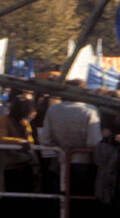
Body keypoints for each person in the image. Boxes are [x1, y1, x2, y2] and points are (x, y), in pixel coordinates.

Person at [41, 79, 103, 216]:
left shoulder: (53, 110)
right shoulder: (90, 110)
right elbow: (94, 141)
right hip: (84, 163)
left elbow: (45, 139)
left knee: (62, 200)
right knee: (81, 203)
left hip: (61, 161)